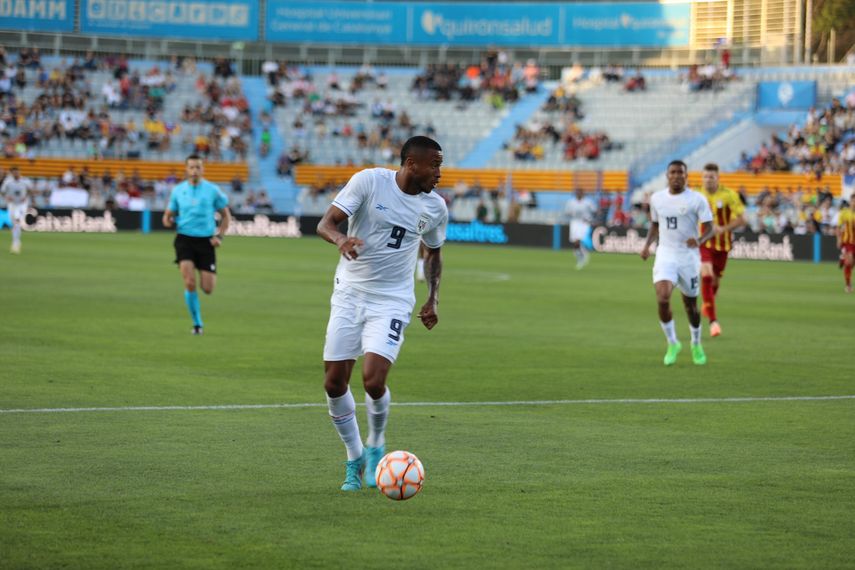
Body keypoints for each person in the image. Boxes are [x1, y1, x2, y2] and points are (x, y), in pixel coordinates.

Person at [316, 136, 448, 491]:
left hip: (391, 299)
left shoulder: (435, 208)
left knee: (373, 380)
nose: (439, 173)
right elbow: (326, 223)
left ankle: (376, 442)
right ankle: (354, 457)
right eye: (434, 165)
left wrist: (432, 297)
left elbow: (433, 254)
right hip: (349, 293)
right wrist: (341, 240)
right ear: (411, 164)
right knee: (333, 382)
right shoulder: (369, 182)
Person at [641, 160, 714, 366]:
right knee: (663, 298)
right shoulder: (657, 199)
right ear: (667, 176)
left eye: (680, 172)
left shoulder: (697, 200)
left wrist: (698, 241)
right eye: (672, 172)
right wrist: (647, 246)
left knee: (691, 306)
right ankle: (672, 342)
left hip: (688, 257)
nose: (676, 176)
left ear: (686, 176)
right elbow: (655, 225)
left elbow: (710, 228)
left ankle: (696, 343)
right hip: (665, 253)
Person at [162, 155, 231, 335]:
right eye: (191, 167)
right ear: (186, 169)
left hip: (206, 241)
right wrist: (168, 221)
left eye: (198, 167)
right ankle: (197, 324)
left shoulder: (212, 190)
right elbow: (167, 215)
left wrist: (220, 237)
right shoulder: (178, 191)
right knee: (190, 282)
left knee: (207, 289)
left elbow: (226, 216)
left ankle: (197, 321)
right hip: (184, 239)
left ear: (203, 169)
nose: (194, 171)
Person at [697, 163, 746, 337]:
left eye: (711, 177)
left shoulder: (729, 195)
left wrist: (723, 229)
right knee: (707, 275)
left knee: (715, 282)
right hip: (703, 243)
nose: (708, 180)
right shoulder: (696, 195)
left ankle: (708, 304)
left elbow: (742, 219)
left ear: (718, 178)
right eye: (705, 177)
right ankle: (713, 322)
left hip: (723, 245)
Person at [1, 167, 33, 254]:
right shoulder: (8, 182)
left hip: (22, 204)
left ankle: (15, 243)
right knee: (14, 223)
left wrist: (26, 196)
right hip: (12, 204)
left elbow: (30, 190)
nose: (16, 174)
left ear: (19, 172)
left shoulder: (25, 181)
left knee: (17, 220)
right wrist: (6, 197)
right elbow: (2, 191)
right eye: (14, 173)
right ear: (12, 173)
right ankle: (16, 241)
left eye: (17, 172)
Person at [563, 188, 597, 269]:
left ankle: (581, 259)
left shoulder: (588, 202)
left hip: (584, 223)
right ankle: (583, 255)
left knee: (578, 241)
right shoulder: (571, 202)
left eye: (580, 192)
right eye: (577, 192)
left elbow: (595, 211)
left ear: (583, 193)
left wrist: (591, 219)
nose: (578, 194)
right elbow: (566, 212)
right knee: (575, 243)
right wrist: (571, 214)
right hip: (574, 223)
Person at [836, 199, 855, 293]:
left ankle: (843, 259)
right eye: (853, 201)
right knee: (849, 263)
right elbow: (839, 227)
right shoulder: (844, 213)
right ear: (851, 202)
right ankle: (848, 286)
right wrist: (839, 239)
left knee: (851, 264)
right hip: (848, 242)